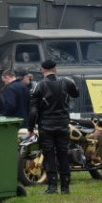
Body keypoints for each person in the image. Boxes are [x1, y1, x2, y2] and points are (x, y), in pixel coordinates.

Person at [29, 59, 79, 194]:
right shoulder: (67, 82)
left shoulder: (39, 86)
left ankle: (52, 187)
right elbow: (76, 93)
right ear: (55, 69)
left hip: (46, 126)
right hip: (63, 124)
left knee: (49, 155)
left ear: (41, 70)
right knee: (63, 154)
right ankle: (65, 187)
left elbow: (33, 111)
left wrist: (30, 129)